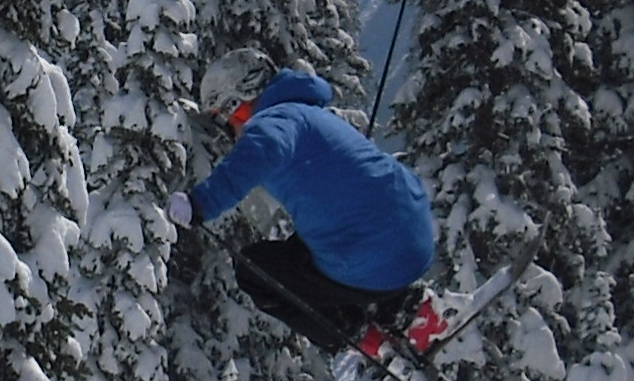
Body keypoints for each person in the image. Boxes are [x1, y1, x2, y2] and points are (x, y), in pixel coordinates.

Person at [167, 62, 437, 353]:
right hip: (416, 236)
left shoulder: (274, 121)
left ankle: (363, 337)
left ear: (239, 100)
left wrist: (199, 203)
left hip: (374, 255)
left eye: (229, 116)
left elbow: (259, 153)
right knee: (306, 249)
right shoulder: (312, 115)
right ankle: (409, 309)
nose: (232, 128)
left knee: (256, 271)